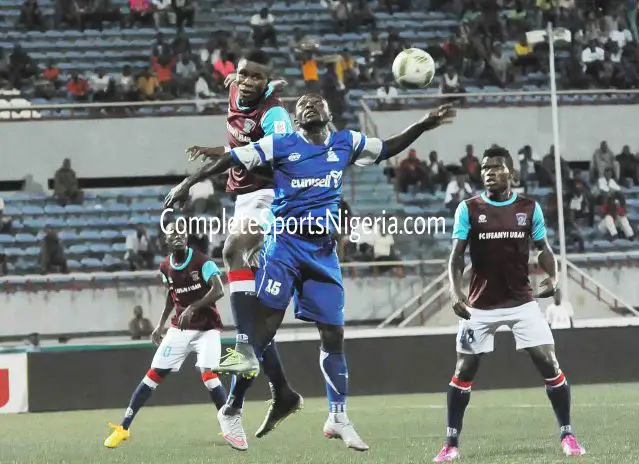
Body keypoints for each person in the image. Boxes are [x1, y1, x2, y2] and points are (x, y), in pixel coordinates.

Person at [164, 94, 456, 451]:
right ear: (295, 118)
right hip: (284, 246)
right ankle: (233, 407)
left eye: (317, 102)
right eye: (302, 104)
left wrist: (423, 125)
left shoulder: (346, 142)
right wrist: (188, 183)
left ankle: (338, 417)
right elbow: (233, 158)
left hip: (322, 252)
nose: (310, 106)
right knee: (261, 332)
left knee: (333, 333)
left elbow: (387, 148)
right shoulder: (281, 144)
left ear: (329, 112)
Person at [182, 49, 302, 451]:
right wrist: (220, 150)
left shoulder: (275, 114)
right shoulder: (236, 89)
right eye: (243, 74)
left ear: (267, 83)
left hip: (275, 195)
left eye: (256, 77)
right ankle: (282, 392)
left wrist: (202, 172)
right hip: (245, 199)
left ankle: (234, 403)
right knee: (254, 321)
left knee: (233, 251)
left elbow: (276, 150)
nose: (247, 81)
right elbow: (241, 126)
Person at [432, 146, 585, 462]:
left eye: (496, 167)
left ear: (511, 173)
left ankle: (568, 435)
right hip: (479, 305)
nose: (489, 172)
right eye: (485, 168)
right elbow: (456, 256)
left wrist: (553, 276)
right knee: (463, 369)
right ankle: (451, 443)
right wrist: (455, 292)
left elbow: (543, 248)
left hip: (521, 302)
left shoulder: (529, 208)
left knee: (549, 362)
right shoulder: (468, 209)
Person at [104, 223, 228, 448]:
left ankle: (229, 426)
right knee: (153, 374)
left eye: (181, 232)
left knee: (208, 374)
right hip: (180, 328)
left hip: (207, 328)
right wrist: (160, 324)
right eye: (173, 233)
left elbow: (219, 290)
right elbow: (172, 295)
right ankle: (123, 428)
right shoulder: (165, 267)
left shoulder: (203, 262)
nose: (178, 235)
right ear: (166, 240)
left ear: (186, 237)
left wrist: (192, 308)